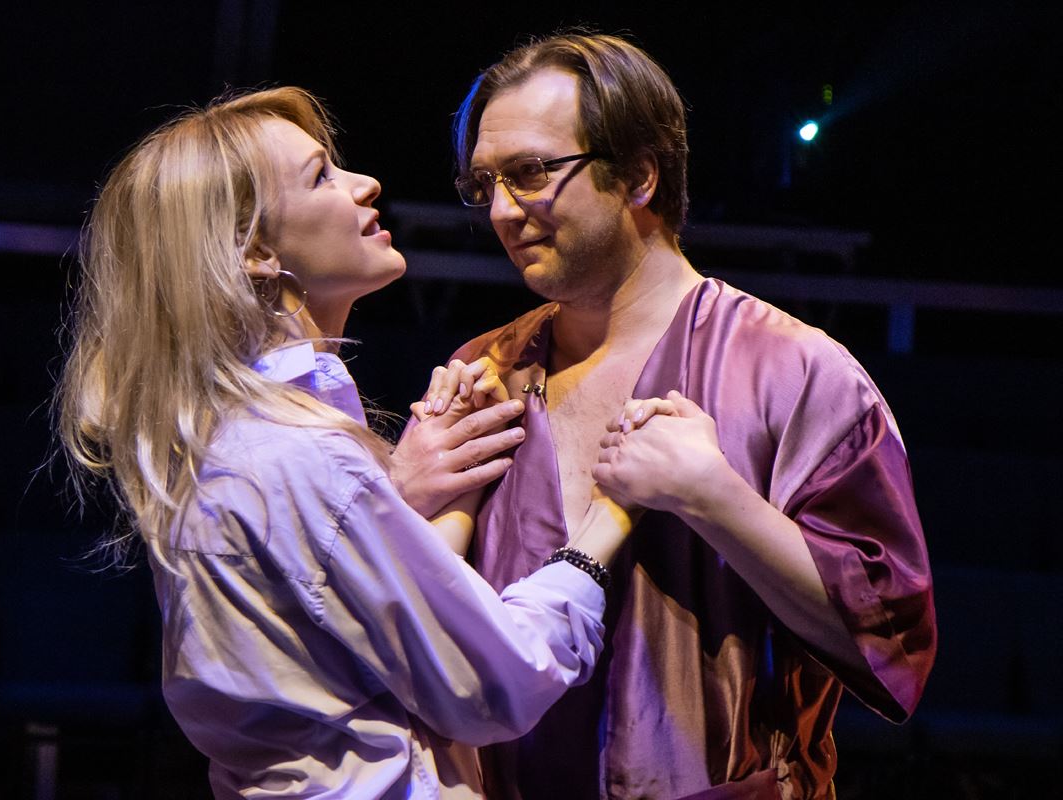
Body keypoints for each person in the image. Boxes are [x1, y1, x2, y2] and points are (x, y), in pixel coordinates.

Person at [55, 86, 638, 799]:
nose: (366, 184)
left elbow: (375, 648)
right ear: (255, 250)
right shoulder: (294, 456)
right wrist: (609, 518)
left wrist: (429, 498)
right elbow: (497, 683)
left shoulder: (243, 443)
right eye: (322, 177)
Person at [412, 32, 937, 800]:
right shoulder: (485, 371)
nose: (499, 211)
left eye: (529, 174)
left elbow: (890, 641)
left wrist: (713, 497)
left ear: (638, 175)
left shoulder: (794, 371)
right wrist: (404, 497)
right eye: (483, 183)